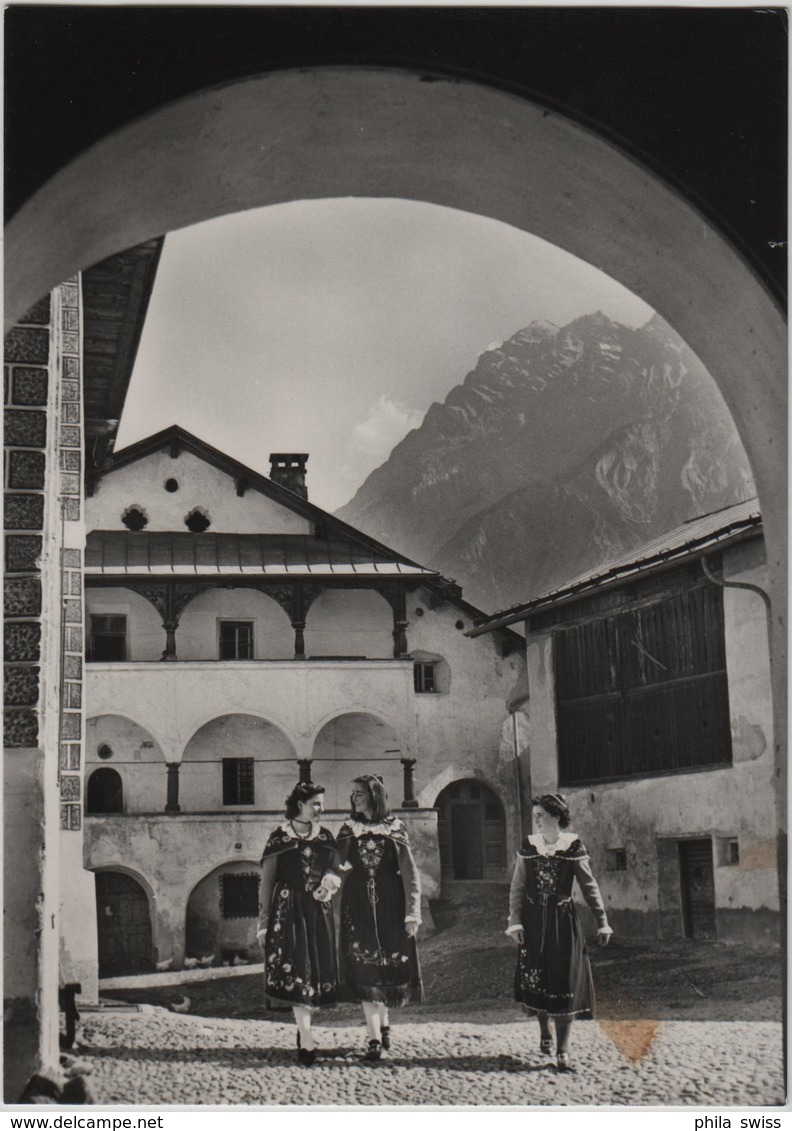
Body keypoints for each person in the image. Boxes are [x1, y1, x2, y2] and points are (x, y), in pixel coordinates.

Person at [506, 793, 612, 1072]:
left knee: (565, 980)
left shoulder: (572, 846)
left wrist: (602, 920)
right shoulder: (528, 847)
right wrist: (515, 921)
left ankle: (563, 1051)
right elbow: (518, 887)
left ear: (556, 817)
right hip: (533, 922)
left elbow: (589, 886)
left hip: (564, 922)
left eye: (542, 815)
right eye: (535, 816)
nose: (537, 820)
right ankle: (545, 1032)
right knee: (538, 978)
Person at [337, 774, 424, 1061]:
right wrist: (327, 881)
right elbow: (335, 865)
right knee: (364, 967)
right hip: (357, 905)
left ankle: (384, 1023)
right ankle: (374, 1038)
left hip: (390, 904)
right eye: (353, 794)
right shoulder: (349, 829)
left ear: (374, 795)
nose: (355, 798)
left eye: (360, 793)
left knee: (385, 968)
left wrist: (412, 911)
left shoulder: (395, 827)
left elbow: (410, 872)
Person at [257, 781, 341, 1066]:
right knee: (297, 972)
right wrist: (263, 924)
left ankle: (303, 1028)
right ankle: (306, 1039)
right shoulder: (279, 838)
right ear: (300, 805)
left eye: (321, 803)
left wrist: (329, 884)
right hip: (287, 911)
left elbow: (337, 868)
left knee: (314, 975)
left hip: (318, 911)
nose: (320, 808)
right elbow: (267, 883)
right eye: (315, 803)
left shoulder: (326, 837)